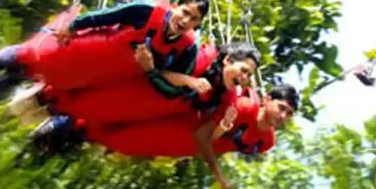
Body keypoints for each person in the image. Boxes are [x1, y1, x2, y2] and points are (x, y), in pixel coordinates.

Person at [0, 0, 209, 100]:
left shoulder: (187, 49)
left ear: (198, 23)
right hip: (92, 47)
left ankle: (16, 78)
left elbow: (171, 87)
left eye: (194, 19)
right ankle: (5, 58)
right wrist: (74, 25)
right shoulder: (147, 10)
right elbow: (107, 15)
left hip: (104, 73)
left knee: (61, 78)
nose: (186, 21)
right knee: (47, 55)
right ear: (176, 7)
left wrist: (152, 70)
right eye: (185, 12)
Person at [32, 41, 261, 149]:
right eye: (243, 71)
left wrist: (225, 125)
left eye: (248, 76)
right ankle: (43, 100)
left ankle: (50, 140)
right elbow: (161, 68)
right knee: (89, 102)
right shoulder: (202, 56)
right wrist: (188, 81)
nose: (243, 79)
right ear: (228, 60)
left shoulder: (228, 97)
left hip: (151, 112)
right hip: (138, 89)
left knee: (93, 124)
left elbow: (210, 135)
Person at [79, 83, 299, 189]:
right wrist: (219, 177)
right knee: (122, 130)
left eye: (288, 113)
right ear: (267, 99)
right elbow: (203, 135)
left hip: (184, 147)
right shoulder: (243, 107)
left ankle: (75, 133)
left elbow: (223, 145)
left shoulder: (266, 142)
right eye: (281, 108)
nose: (282, 116)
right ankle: (71, 121)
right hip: (181, 126)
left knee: (122, 144)